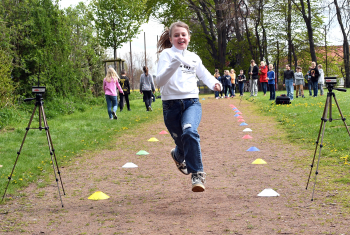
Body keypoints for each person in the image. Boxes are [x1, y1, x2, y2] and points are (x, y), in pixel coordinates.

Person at [156, 21, 222, 192]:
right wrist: (174, 63)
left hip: (191, 102)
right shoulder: (166, 55)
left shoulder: (194, 57)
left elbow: (204, 74)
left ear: (189, 38)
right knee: (182, 142)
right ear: (170, 39)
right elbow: (159, 82)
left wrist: (215, 83)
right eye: (176, 35)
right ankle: (177, 155)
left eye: (183, 35)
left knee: (190, 131)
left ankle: (197, 174)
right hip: (170, 105)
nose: (180, 38)